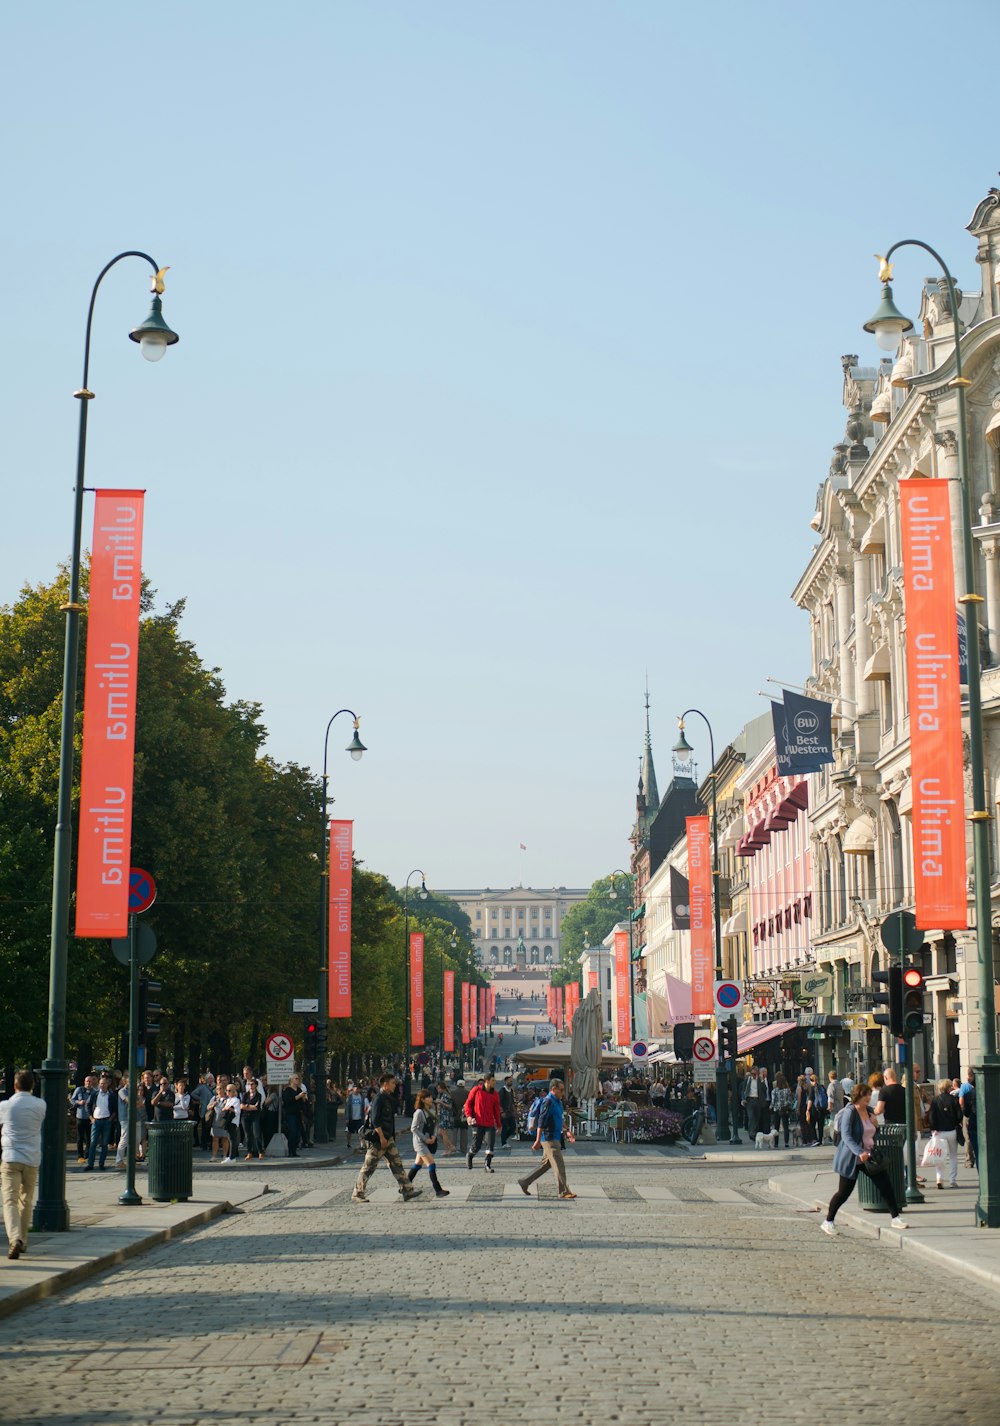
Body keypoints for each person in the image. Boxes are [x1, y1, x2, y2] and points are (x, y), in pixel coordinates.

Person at [820, 1083, 907, 1235]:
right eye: (865, 1095)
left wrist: (876, 1125)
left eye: (868, 1094)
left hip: (869, 1158)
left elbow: (872, 1132)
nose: (868, 1097)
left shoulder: (869, 1111)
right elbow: (846, 1135)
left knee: (885, 1185)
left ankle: (896, 1218)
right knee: (843, 1193)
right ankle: (828, 1221)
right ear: (858, 1096)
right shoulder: (850, 1112)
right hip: (852, 1158)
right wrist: (859, 1151)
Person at [352, 1072, 421, 1204]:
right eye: (392, 1083)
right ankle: (357, 1193)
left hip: (388, 1138)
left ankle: (407, 1190)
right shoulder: (378, 1098)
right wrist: (382, 1138)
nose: (395, 1085)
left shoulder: (387, 1097)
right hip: (379, 1140)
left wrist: (391, 1137)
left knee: (397, 1165)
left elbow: (391, 1117)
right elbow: (375, 1120)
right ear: (385, 1084)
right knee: (368, 1167)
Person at [1, 1071, 47, 1259]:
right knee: (26, 1200)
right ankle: (24, 1240)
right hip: (32, 1158)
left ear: (14, 1086)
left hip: (11, 1157)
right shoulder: (40, 1105)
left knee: (9, 1201)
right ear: (32, 1086)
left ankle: (15, 1239)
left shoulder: (5, 1105)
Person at [517, 1078, 576, 1200]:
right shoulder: (548, 1101)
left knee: (545, 1165)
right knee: (559, 1165)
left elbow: (560, 1119)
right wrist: (538, 1140)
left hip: (555, 1136)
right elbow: (541, 1122)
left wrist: (568, 1131)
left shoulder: (558, 1102)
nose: (563, 1092)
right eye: (561, 1090)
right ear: (553, 1089)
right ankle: (563, 1191)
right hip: (549, 1138)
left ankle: (524, 1181)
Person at [406, 1088, 449, 1198]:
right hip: (420, 1143)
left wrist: (434, 1136)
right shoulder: (419, 1112)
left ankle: (404, 1187)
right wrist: (425, 1139)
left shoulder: (431, 1110)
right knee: (431, 1164)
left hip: (429, 1140)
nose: (430, 1098)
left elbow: (435, 1125)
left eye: (430, 1096)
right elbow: (413, 1128)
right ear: (423, 1100)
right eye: (428, 1097)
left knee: (417, 1165)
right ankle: (438, 1190)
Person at [927, 1077, 962, 1189]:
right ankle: (952, 1180)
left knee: (939, 1156)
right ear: (948, 1087)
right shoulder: (953, 1099)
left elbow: (932, 1116)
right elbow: (959, 1115)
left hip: (939, 1132)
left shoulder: (935, 1100)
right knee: (953, 1156)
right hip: (952, 1131)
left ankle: (939, 1178)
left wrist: (933, 1128)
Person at [464, 1073, 502, 1173]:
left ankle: (487, 1165)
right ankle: (470, 1155)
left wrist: (499, 1125)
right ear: (487, 1081)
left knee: (490, 1144)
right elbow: (468, 1104)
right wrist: (468, 1116)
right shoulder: (476, 1090)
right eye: (493, 1081)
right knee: (476, 1145)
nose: (495, 1082)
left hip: (489, 1123)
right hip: (477, 1122)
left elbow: (497, 1111)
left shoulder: (495, 1094)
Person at [86, 1073, 117, 1171]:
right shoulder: (94, 1094)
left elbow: (115, 1109)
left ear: (107, 1084)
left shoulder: (111, 1095)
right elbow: (88, 1105)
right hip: (96, 1120)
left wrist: (110, 1119)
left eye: (104, 1084)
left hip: (106, 1120)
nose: (102, 1085)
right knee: (93, 1143)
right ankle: (90, 1164)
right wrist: (91, 1118)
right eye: (101, 1084)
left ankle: (101, 1164)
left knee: (104, 1144)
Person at [281, 1074, 308, 1157]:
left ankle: (294, 1151)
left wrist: (304, 1098)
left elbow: (302, 1103)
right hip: (290, 1114)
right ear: (291, 1080)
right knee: (292, 1132)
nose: (297, 1080)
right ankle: (290, 1151)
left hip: (298, 1114)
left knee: (297, 1133)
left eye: (298, 1078)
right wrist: (299, 1096)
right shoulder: (288, 1090)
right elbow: (288, 1101)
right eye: (296, 1078)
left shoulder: (299, 1089)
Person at [70, 1076, 93, 1163]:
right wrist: (79, 1102)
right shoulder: (79, 1090)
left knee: (89, 1137)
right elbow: (72, 1100)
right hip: (80, 1116)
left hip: (89, 1117)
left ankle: (87, 1155)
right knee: (80, 1137)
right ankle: (80, 1156)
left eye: (90, 1081)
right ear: (84, 1082)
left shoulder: (94, 1092)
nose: (88, 1083)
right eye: (87, 1081)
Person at [241, 1076, 264, 1160]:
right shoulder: (245, 1094)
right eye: (249, 1084)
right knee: (248, 1135)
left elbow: (256, 1107)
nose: (250, 1085)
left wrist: (246, 1106)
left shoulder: (259, 1095)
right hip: (245, 1116)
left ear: (256, 1085)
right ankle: (249, 1152)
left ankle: (260, 1151)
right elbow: (241, 1106)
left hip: (255, 1116)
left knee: (257, 1134)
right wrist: (249, 1106)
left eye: (252, 1084)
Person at [742, 1067, 767, 1139]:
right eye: (752, 1073)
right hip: (749, 1100)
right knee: (751, 1117)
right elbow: (743, 1090)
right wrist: (743, 1098)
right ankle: (751, 1133)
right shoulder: (748, 1080)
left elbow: (764, 1089)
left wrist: (762, 1080)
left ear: (757, 1073)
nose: (753, 1075)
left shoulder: (759, 1080)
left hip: (758, 1100)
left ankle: (755, 1132)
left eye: (755, 1073)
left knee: (757, 1117)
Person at [770, 1073, 794, 1148]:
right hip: (785, 1109)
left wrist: (771, 1107)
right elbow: (790, 1100)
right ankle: (786, 1142)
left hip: (777, 1110)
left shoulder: (774, 1091)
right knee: (786, 1126)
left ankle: (776, 1143)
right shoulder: (787, 1090)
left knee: (776, 1126)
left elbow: (773, 1101)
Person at [343, 1083, 368, 1153]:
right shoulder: (350, 1098)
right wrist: (347, 1118)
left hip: (359, 1117)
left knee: (361, 1132)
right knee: (349, 1131)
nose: (356, 1090)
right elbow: (347, 1108)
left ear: (359, 1089)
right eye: (355, 1088)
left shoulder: (362, 1097)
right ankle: (348, 1143)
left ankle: (362, 1145)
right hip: (351, 1117)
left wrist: (365, 1117)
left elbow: (365, 1107)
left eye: (357, 1089)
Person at [960, 1069, 977, 1169]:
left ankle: (969, 1160)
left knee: (968, 1138)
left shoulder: (965, 1087)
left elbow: (961, 1101)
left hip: (970, 1116)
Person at [434, 1081, 456, 1155]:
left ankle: (447, 1150)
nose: (438, 1090)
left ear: (442, 1088)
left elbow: (450, 1106)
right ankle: (451, 1146)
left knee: (444, 1133)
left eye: (439, 1088)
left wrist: (441, 1102)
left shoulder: (446, 1095)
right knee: (440, 1133)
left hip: (446, 1115)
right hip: (442, 1115)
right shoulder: (442, 1094)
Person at [498, 1076, 517, 1149]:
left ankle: (504, 1137)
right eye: (509, 1081)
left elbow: (512, 1101)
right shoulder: (502, 1090)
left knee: (513, 1127)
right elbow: (499, 1102)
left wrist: (514, 1110)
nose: (510, 1082)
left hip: (510, 1113)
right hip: (504, 1113)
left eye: (511, 1081)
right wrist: (502, 1112)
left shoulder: (511, 1090)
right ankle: (504, 1143)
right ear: (505, 1082)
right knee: (505, 1127)